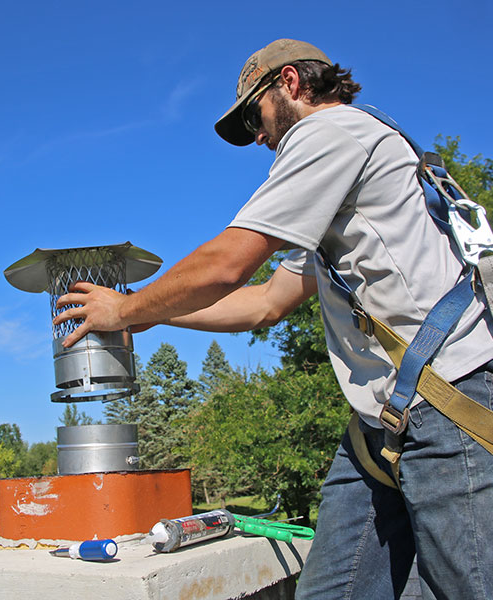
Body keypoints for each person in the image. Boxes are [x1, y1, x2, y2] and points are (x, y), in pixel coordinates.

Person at [54, 39, 493, 599]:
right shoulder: (339, 178)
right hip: (383, 423)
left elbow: (229, 263)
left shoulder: (328, 134)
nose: (257, 136)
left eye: (252, 115)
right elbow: (268, 302)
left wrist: (126, 306)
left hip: (450, 403)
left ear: (290, 82)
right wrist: (156, 317)